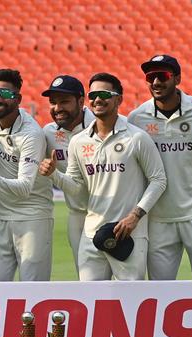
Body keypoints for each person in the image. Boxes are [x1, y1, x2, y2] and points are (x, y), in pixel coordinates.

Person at [39, 73, 167, 281]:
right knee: (90, 301)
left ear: (119, 99)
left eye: (104, 94)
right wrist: (54, 175)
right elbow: (77, 187)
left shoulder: (136, 137)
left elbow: (159, 180)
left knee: (130, 301)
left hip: (127, 232)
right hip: (91, 234)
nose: (98, 99)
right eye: (94, 94)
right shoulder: (78, 142)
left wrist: (134, 216)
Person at [127, 55, 192, 280]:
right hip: (158, 218)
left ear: (177, 78)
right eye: (151, 77)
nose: (156, 82)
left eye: (163, 76)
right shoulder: (137, 118)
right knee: (160, 291)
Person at [0, 69, 52, 281]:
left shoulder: (31, 134)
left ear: (18, 99)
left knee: (33, 292)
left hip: (33, 217)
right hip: (1, 216)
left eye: (5, 94)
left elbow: (24, 188)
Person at [41, 75, 93, 272]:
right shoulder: (48, 133)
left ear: (81, 101)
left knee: (124, 281)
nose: (57, 108)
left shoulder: (101, 126)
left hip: (112, 214)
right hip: (77, 215)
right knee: (86, 278)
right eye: (53, 102)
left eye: (64, 102)